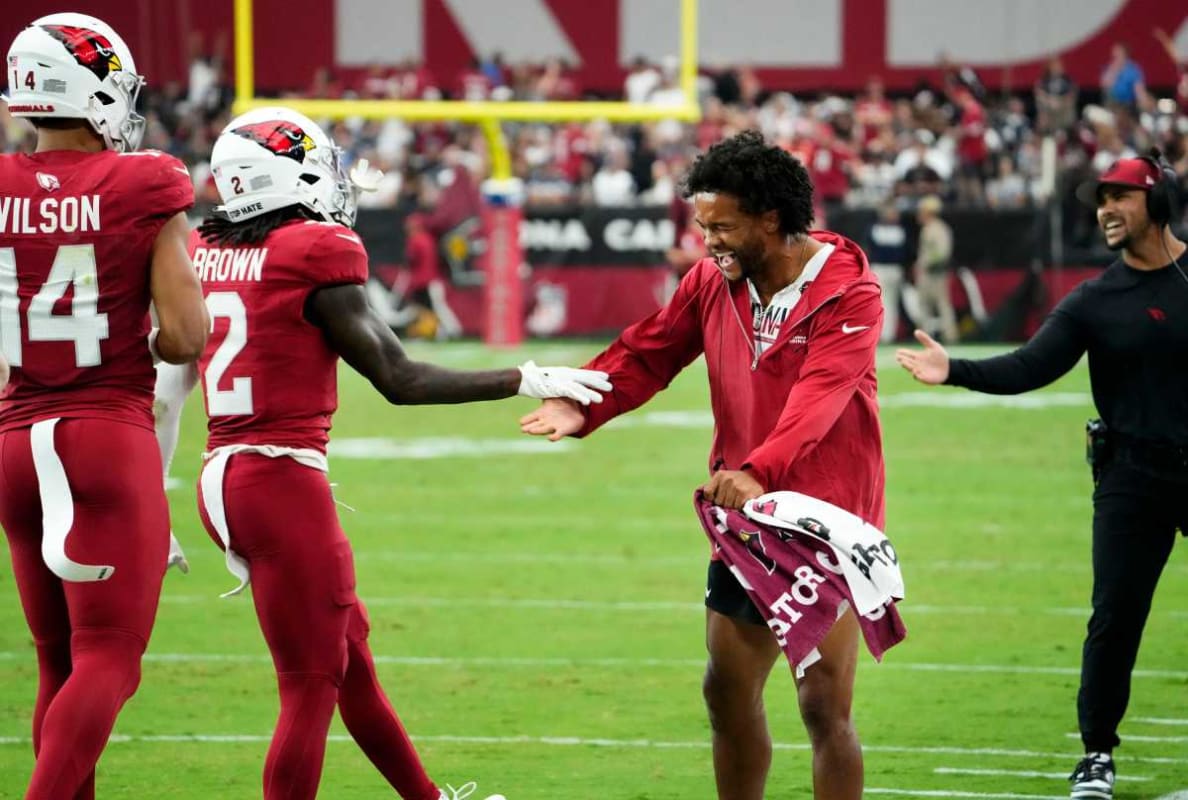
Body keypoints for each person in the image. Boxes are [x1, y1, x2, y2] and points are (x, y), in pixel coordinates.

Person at [153, 106, 610, 800]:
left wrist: (154, 493)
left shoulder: (207, 250)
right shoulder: (314, 250)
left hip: (224, 474)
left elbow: (166, 392)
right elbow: (400, 379)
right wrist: (522, 376)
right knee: (310, 689)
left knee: (350, 665)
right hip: (280, 482)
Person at [520, 130, 900, 800]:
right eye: (702, 226)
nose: (709, 241)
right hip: (743, 514)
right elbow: (651, 352)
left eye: (721, 226)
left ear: (770, 219)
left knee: (821, 705)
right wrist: (584, 402)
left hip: (826, 518)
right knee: (724, 692)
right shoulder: (710, 281)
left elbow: (820, 397)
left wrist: (760, 466)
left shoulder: (851, 294)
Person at [895, 152, 1186, 800]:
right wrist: (958, 370)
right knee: (1114, 616)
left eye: (1121, 197)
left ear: (1158, 202)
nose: (1107, 209)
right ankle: (1096, 755)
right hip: (1131, 476)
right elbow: (1030, 366)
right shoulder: (1095, 299)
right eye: (1101, 199)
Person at [0, 13, 210, 799]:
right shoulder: (145, 181)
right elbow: (187, 337)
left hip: (17, 441)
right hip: (104, 436)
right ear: (88, 89)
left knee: (57, 662)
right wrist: (150, 340)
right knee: (111, 659)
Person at [912, 194, 959, 343]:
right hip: (928, 273)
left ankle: (950, 336)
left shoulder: (939, 229)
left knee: (942, 305)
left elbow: (942, 253)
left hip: (936, 273)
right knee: (925, 306)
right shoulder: (928, 228)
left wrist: (925, 263)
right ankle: (926, 336)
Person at [866, 201, 909, 343]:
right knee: (881, 302)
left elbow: (903, 252)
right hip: (880, 268)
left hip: (895, 269)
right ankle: (881, 334)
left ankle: (889, 334)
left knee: (892, 303)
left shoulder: (901, 230)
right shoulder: (875, 229)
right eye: (892, 213)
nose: (895, 215)